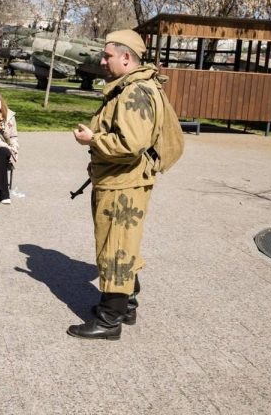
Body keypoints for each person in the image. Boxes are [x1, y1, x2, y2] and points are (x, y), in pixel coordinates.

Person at [68, 29, 164, 340]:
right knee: (124, 243)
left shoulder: (134, 92)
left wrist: (92, 139)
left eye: (108, 55)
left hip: (123, 185)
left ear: (127, 58)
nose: (103, 60)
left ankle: (110, 320)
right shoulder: (134, 87)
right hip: (121, 180)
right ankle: (127, 305)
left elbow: (130, 144)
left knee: (116, 249)